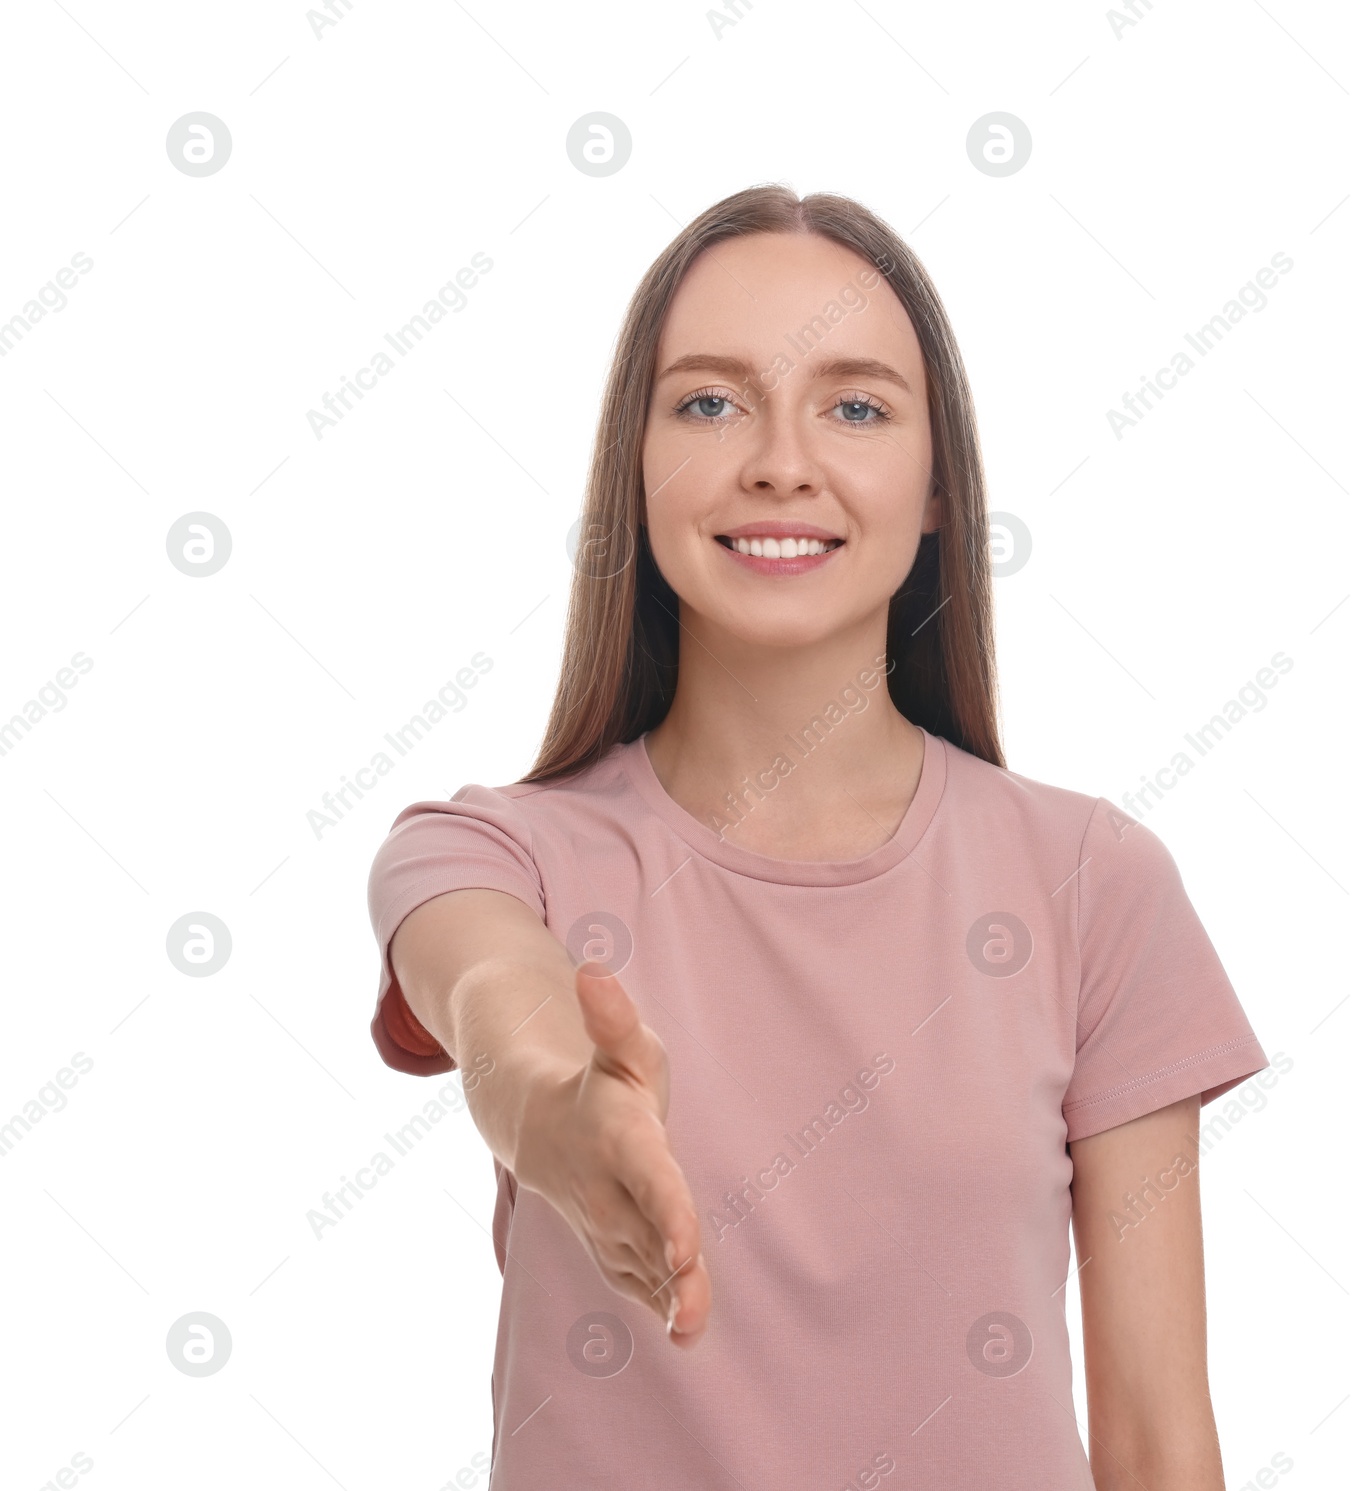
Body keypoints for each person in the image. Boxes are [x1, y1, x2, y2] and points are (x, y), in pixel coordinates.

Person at [365, 182, 1269, 1490]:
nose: (780, 461)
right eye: (710, 401)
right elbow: (501, 1004)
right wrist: (557, 1113)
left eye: (854, 406)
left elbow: (1157, 1441)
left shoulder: (1093, 886)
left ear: (939, 481)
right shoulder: (486, 855)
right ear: (636, 468)